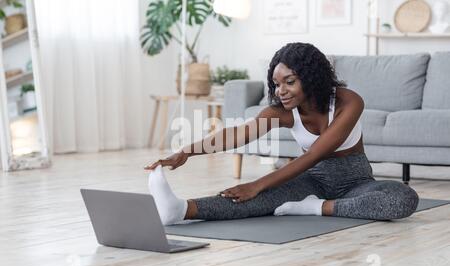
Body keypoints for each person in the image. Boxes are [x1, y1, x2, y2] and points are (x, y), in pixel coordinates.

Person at [145, 43, 419, 226]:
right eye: (277, 84)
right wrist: (186, 152)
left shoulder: (349, 101)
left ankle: (313, 208)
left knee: (403, 199)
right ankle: (180, 209)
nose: (281, 91)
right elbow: (238, 134)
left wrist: (258, 183)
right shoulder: (281, 112)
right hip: (311, 181)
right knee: (256, 199)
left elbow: (314, 154)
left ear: (311, 78)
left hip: (357, 182)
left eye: (290, 82)